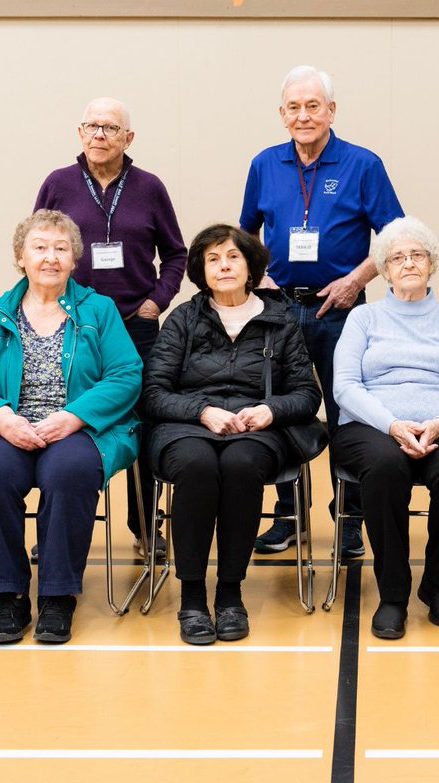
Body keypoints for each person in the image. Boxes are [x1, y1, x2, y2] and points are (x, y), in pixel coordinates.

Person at [0, 210, 141, 645]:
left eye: (61, 248)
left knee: (67, 471)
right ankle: (6, 594)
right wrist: (2, 419)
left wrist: (73, 417)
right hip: (8, 429)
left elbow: (126, 374)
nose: (50, 257)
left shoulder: (99, 310)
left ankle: (57, 595)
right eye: (39, 247)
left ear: (75, 259)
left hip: (79, 430)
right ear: (20, 257)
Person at [240, 65, 403, 559]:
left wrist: (356, 280)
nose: (304, 115)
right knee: (281, 408)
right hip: (279, 307)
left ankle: (350, 517)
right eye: (294, 107)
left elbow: (395, 238)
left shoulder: (362, 164)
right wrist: (256, 276)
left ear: (331, 111)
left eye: (314, 106)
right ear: (282, 114)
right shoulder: (265, 164)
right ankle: (287, 515)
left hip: (342, 307)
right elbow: (246, 233)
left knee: (347, 413)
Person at [143, 224, 321, 645]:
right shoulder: (183, 319)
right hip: (187, 426)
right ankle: (191, 598)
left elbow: (307, 394)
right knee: (196, 465)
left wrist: (269, 410)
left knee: (241, 465)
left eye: (233, 257)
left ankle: (229, 594)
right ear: (200, 271)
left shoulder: (281, 322)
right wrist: (202, 411)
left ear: (252, 266)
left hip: (256, 429)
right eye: (213, 259)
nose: (224, 266)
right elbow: (154, 392)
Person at [34, 97, 188, 559]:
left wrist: (156, 302)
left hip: (134, 328)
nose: (99, 135)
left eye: (110, 128)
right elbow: (36, 247)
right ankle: (55, 532)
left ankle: (144, 529)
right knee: (64, 426)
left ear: (128, 138)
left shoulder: (149, 187)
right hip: (71, 326)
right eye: (91, 126)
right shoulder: (58, 184)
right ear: (80, 133)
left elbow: (177, 254)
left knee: (140, 428)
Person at [332, 218, 439, 639]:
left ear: (431, 264)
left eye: (416, 255)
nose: (407, 263)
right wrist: (392, 424)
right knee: (384, 468)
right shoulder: (363, 319)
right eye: (397, 257)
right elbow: (345, 387)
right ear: (384, 270)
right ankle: (393, 594)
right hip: (373, 426)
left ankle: (437, 583)